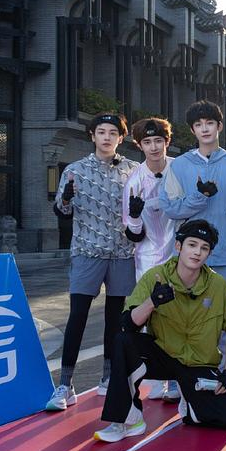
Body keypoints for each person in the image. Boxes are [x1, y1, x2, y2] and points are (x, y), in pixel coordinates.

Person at [94, 220, 226, 441]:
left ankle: (190, 402)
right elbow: (128, 324)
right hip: (163, 355)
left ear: (209, 253)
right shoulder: (156, 276)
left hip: (198, 362)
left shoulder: (219, 286)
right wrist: (152, 302)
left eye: (204, 248)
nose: (197, 252)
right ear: (179, 246)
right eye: (192, 245)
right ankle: (127, 421)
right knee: (123, 341)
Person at [46, 113, 138, 411]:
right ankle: (65, 385)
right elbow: (62, 211)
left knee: (115, 319)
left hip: (123, 253)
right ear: (92, 135)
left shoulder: (132, 170)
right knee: (78, 316)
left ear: (121, 138)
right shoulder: (75, 170)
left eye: (113, 132)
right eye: (101, 132)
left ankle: (108, 376)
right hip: (87, 251)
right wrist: (66, 198)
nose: (107, 137)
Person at [158, 100, 226, 301]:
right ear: (192, 130)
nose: (204, 129)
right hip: (189, 256)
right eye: (198, 124)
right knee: (188, 314)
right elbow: (171, 208)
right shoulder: (179, 165)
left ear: (219, 126)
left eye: (210, 123)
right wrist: (200, 197)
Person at [122, 117, 180, 402]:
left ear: (167, 141)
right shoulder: (134, 180)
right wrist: (134, 217)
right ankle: (156, 378)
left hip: (179, 255)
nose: (154, 147)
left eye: (158, 140)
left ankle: (178, 378)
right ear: (139, 145)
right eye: (147, 142)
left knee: (180, 315)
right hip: (147, 257)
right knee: (151, 316)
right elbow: (132, 234)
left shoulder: (179, 171)